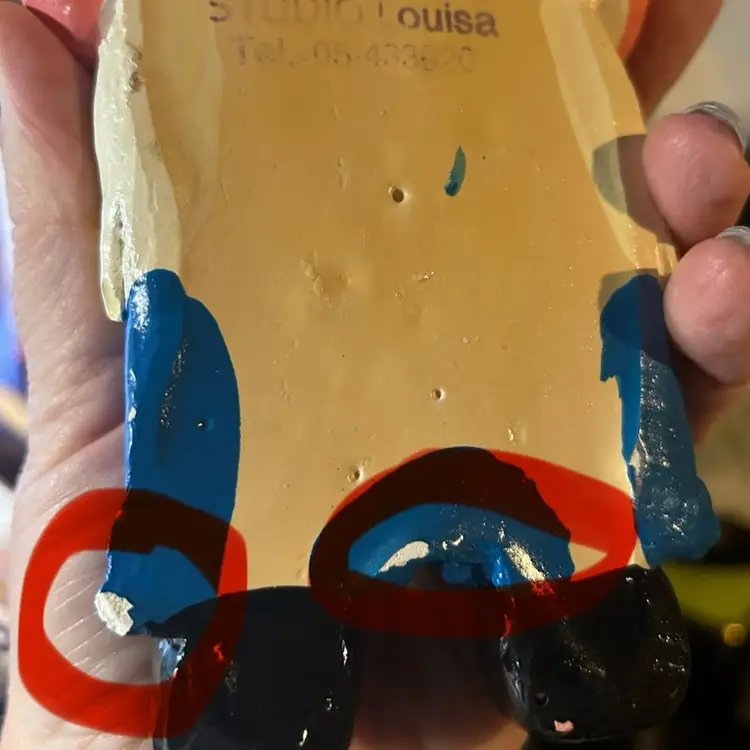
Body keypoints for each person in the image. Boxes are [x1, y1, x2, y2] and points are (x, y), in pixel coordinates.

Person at [1, 1, 750, 749]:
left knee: (565, 330)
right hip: (259, 263)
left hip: (512, 226)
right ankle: (264, 628)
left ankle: (578, 593)